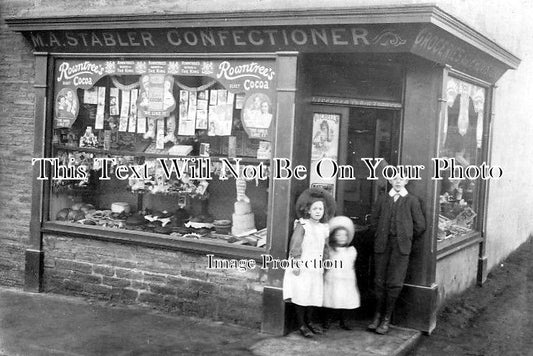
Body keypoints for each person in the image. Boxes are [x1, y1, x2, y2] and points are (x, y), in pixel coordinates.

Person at [368, 176, 426, 334]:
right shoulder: (383, 199)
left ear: (406, 181)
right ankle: (376, 317)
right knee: (379, 281)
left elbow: (420, 225)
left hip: (400, 247)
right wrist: (380, 235)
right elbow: (374, 220)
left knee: (395, 282)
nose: (398, 182)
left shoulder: (412, 201)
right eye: (394, 179)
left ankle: (386, 319)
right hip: (382, 245)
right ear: (390, 181)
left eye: (402, 179)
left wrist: (405, 236)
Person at [282, 188, 335, 338]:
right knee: (302, 294)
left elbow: (325, 247)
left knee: (313, 294)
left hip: (315, 267)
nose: (318, 211)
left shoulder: (323, 228)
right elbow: (295, 246)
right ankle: (301, 324)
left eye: (321, 209)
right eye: (315, 208)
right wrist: (296, 264)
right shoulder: (303, 225)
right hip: (303, 264)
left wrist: (326, 262)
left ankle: (310, 321)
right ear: (308, 210)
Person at [323, 216, 360, 331]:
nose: (342, 238)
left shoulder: (351, 251)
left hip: (346, 279)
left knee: (345, 299)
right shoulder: (330, 251)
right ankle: (327, 320)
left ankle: (344, 320)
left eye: (344, 235)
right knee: (331, 298)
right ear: (333, 236)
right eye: (338, 235)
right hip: (333, 278)